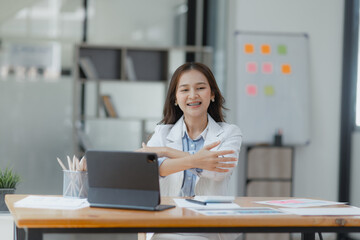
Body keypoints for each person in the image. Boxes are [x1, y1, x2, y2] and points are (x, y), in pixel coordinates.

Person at [137, 62, 242, 240]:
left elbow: (217, 170)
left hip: (209, 228)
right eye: (184, 90)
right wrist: (197, 160)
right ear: (176, 99)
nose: (193, 95)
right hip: (166, 226)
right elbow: (151, 168)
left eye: (200, 88)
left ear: (213, 94)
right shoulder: (163, 132)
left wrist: (166, 152)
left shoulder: (230, 132)